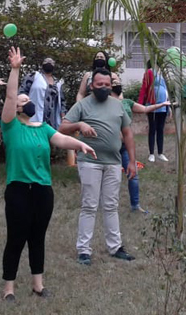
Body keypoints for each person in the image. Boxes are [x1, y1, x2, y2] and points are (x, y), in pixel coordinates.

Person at [0, 48, 96, 302]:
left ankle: (37, 285)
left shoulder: (42, 127)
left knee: (37, 237)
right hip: (18, 188)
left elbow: (62, 139)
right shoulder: (10, 127)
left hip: (43, 189)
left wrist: (80, 145)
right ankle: (9, 287)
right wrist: (15, 69)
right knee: (16, 238)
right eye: (22, 101)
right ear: (16, 108)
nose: (26, 102)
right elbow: (10, 96)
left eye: (26, 100)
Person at [59, 68, 137, 265]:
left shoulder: (118, 106)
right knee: (89, 205)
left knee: (111, 205)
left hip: (113, 162)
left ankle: (115, 246)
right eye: (100, 84)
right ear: (91, 86)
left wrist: (133, 162)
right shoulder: (83, 105)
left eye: (107, 85)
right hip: (90, 163)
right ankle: (84, 250)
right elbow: (62, 127)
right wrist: (79, 125)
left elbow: (127, 133)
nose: (104, 88)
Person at [111, 72, 169, 213]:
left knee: (133, 175)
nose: (116, 83)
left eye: (117, 80)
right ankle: (109, 206)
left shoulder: (127, 103)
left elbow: (145, 109)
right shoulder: (103, 104)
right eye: (112, 81)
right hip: (110, 148)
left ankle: (135, 206)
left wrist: (162, 104)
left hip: (125, 147)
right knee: (111, 179)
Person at [20, 56, 65, 130]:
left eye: (51, 63)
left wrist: (63, 117)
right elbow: (22, 93)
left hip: (52, 121)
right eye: (47, 63)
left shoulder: (58, 83)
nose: (49, 64)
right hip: (34, 117)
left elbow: (62, 102)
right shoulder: (34, 76)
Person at [141, 61, 170, 162]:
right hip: (152, 105)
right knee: (152, 129)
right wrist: (140, 104)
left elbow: (166, 90)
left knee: (160, 130)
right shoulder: (149, 72)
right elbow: (144, 88)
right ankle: (151, 153)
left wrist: (168, 107)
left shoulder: (162, 75)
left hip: (163, 106)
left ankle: (160, 153)